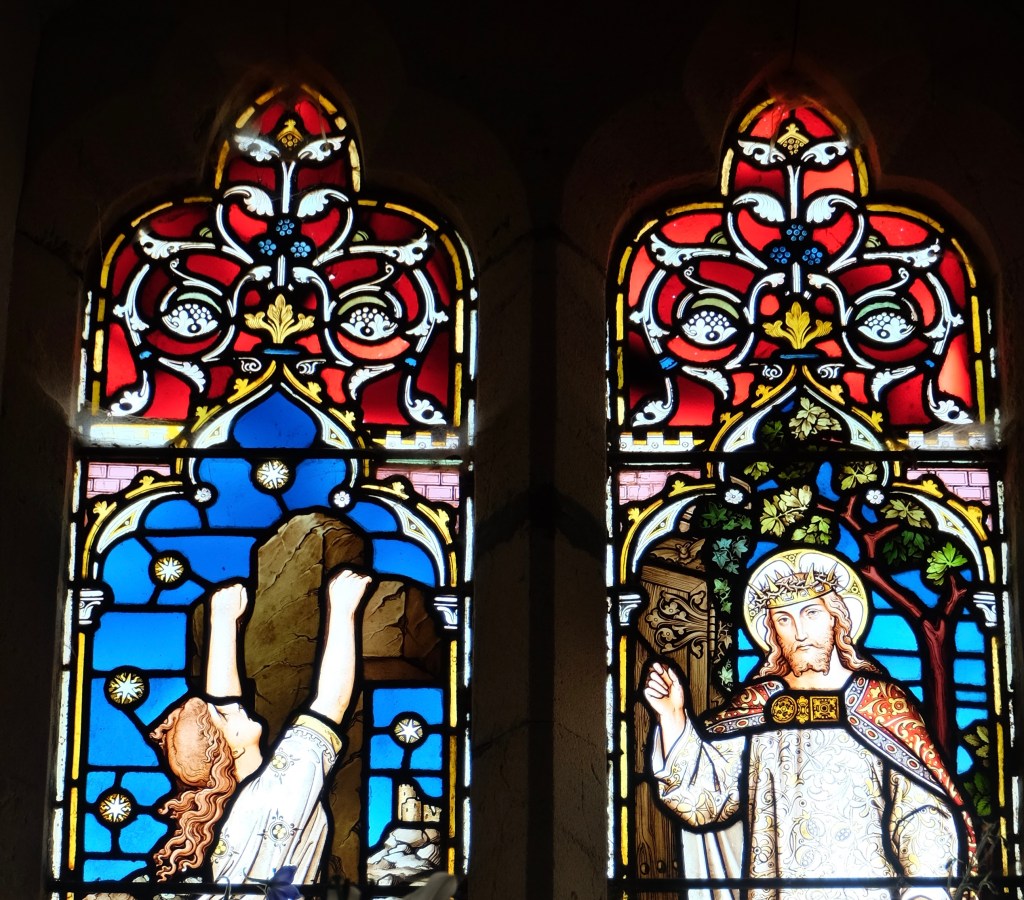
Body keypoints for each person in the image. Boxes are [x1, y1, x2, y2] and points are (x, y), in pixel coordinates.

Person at [643, 549, 974, 900]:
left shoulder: (881, 703)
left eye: (811, 613)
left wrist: (926, 886)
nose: (799, 632)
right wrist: (673, 716)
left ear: (836, 618)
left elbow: (921, 809)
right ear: (772, 631)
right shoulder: (758, 706)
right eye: (783, 619)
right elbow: (704, 802)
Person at [150, 567, 371, 889]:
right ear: (230, 749)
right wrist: (342, 609)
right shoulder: (280, 790)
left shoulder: (239, 806)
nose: (229, 707)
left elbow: (224, 702)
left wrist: (223, 621)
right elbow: (332, 702)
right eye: (221, 716)